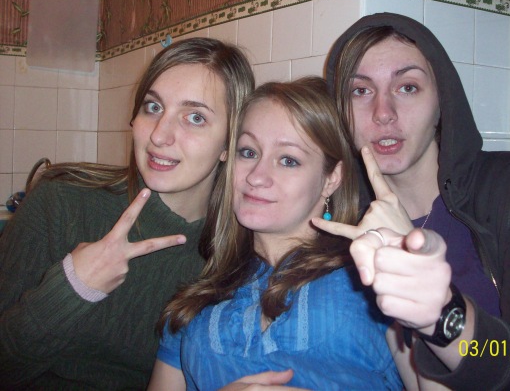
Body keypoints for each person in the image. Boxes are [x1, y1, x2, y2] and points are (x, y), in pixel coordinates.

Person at [310, 12, 510, 389]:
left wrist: (441, 312)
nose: (383, 114)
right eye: (360, 91)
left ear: (442, 100)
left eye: (407, 87)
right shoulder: (341, 218)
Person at [0, 37, 254, 390]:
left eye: (195, 117)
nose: (160, 135)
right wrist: (72, 288)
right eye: (153, 107)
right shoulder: (61, 202)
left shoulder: (238, 256)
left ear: (230, 143)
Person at [148, 77, 403, 390]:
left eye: (288, 160)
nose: (256, 176)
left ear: (331, 179)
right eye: (248, 152)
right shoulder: (195, 303)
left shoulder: (373, 281)